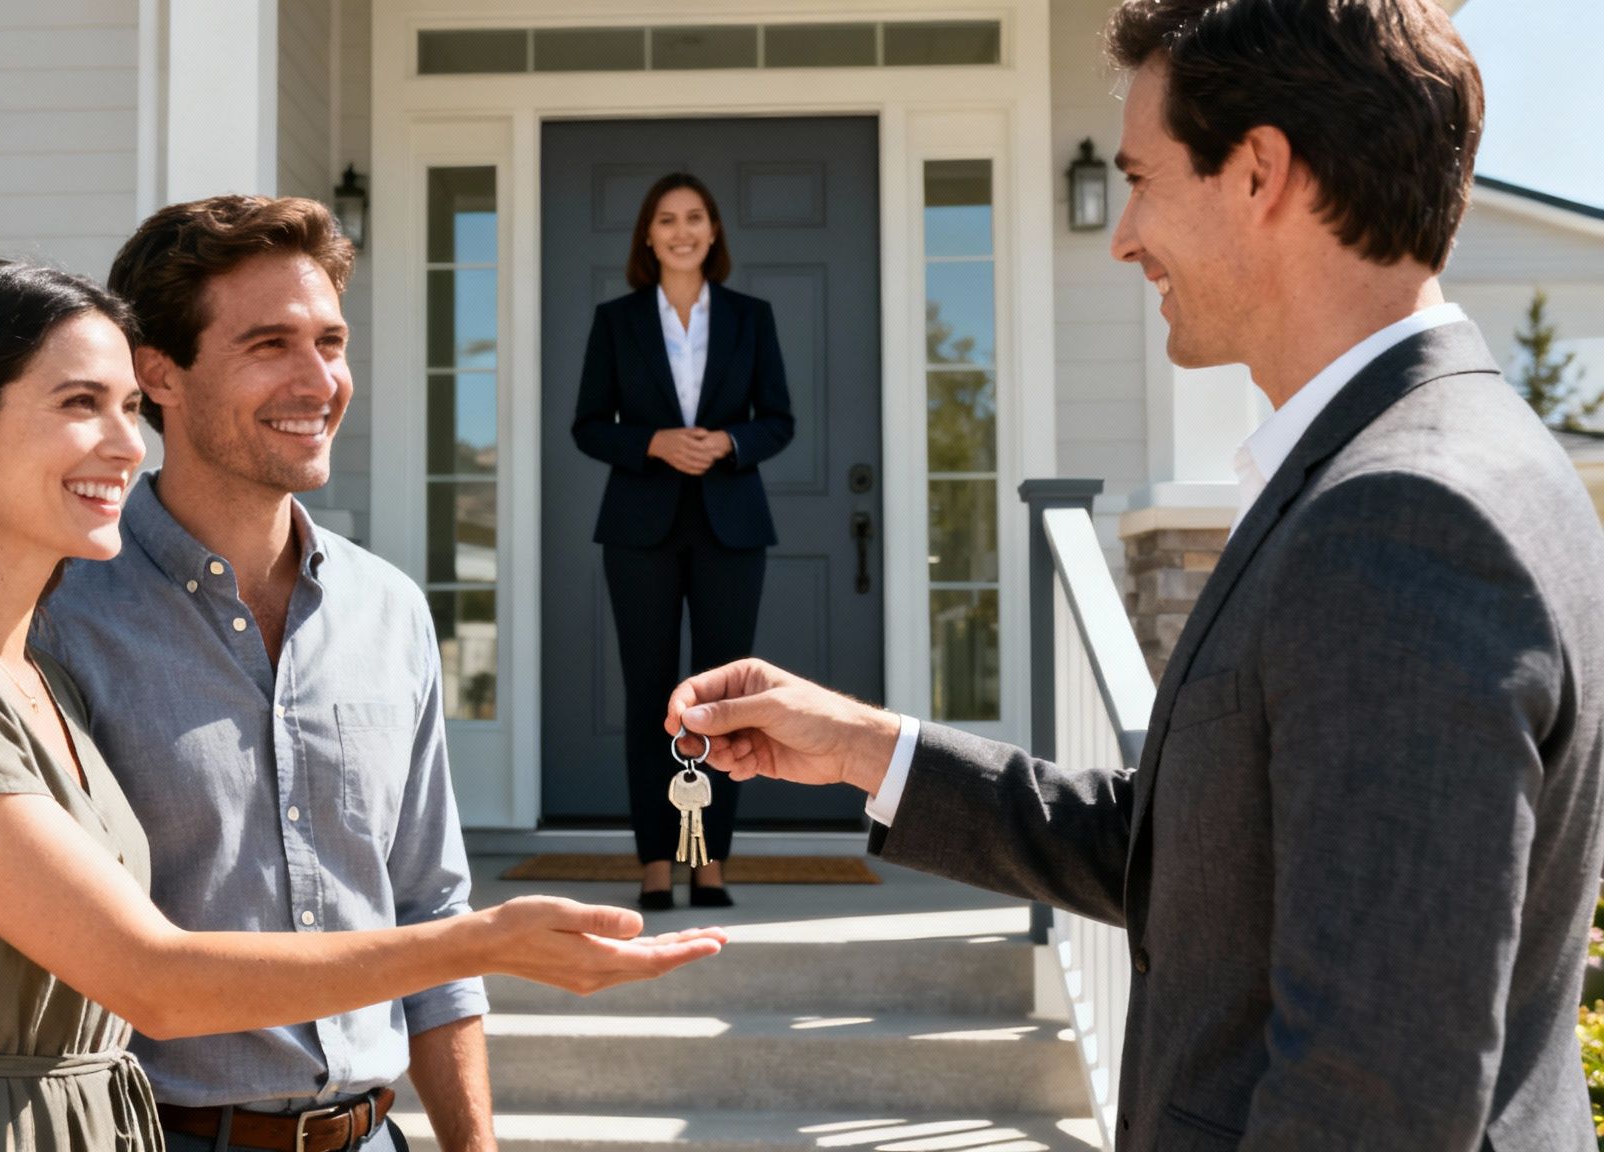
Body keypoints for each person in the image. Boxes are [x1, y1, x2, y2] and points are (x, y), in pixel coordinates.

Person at [666, 1, 1604, 1147]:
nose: (1119, 236)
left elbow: (1371, 1103)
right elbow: (1187, 858)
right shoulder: (1437, 455)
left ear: (1258, 171)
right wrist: (863, 747)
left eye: (1143, 178)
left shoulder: (1399, 519)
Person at [0, 246, 722, 1150]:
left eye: (330, 342)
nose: (317, 380)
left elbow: (424, 891)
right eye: (269, 344)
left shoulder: (379, 610)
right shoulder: (23, 622)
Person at [571, 172, 793, 911]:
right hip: (641, 529)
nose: (682, 231)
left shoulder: (750, 317)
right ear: (647, 235)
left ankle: (712, 861)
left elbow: (780, 420)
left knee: (726, 701)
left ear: (714, 231)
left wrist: (729, 440)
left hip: (731, 525)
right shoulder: (617, 320)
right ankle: (655, 862)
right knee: (650, 697)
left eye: (695, 217)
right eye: (666, 219)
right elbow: (588, 425)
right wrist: (654, 444)